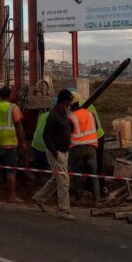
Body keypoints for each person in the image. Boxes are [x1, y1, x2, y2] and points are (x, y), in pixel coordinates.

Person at [32, 89, 76, 220]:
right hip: (56, 152)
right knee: (64, 181)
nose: (71, 102)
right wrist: (54, 152)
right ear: (65, 100)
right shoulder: (54, 115)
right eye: (70, 100)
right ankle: (63, 209)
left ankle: (39, 198)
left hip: (63, 151)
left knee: (57, 178)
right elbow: (46, 135)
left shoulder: (63, 113)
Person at [0, 86, 25, 203]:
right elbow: (19, 127)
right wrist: (22, 143)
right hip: (11, 145)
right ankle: (12, 196)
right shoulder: (13, 107)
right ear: (10, 95)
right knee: (11, 171)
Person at [67, 92, 101, 205]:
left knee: (77, 174)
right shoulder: (90, 113)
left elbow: (67, 133)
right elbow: (95, 127)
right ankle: (97, 200)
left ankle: (79, 198)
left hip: (77, 148)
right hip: (91, 147)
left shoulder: (70, 117)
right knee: (93, 174)